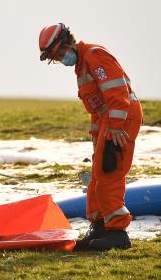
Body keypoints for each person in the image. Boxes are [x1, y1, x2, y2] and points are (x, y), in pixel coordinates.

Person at [38, 23, 143, 251]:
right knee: (97, 175)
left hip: (122, 120)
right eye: (55, 58)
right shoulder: (82, 66)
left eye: (58, 54)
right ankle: (100, 228)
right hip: (109, 122)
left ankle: (117, 233)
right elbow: (97, 110)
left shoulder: (95, 56)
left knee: (109, 172)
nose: (60, 59)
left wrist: (115, 125)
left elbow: (117, 92)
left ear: (67, 43)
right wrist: (98, 137)